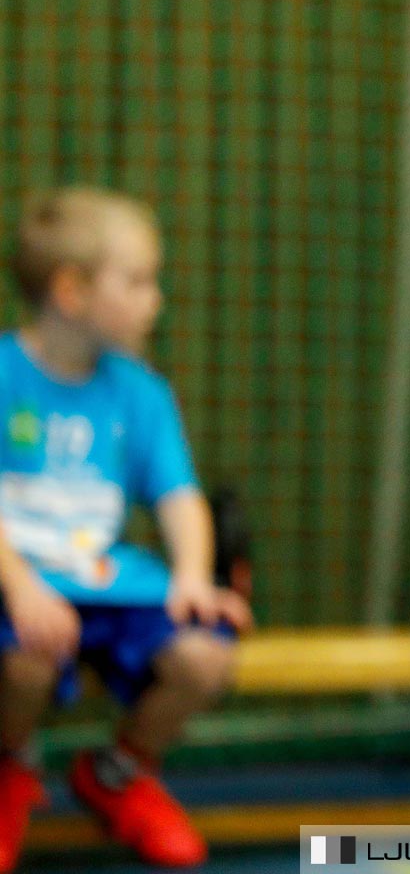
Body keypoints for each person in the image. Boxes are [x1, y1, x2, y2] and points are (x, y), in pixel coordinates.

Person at [0, 188, 249, 872]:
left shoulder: (141, 393)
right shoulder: (4, 375)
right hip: (16, 584)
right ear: (72, 292)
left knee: (204, 655)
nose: (154, 299)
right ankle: (10, 768)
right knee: (22, 658)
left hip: (104, 583)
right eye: (138, 281)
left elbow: (178, 497)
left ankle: (118, 772)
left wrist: (194, 578)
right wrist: (22, 589)